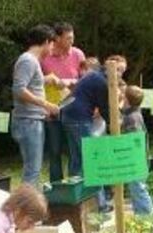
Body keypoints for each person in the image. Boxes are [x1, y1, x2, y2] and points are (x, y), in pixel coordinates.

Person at [60, 56, 127, 212]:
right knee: (92, 161)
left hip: (68, 115)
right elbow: (105, 108)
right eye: (118, 70)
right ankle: (101, 205)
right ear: (110, 69)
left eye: (122, 71)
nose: (120, 75)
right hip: (80, 118)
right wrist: (116, 122)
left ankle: (75, 201)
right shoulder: (102, 82)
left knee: (76, 161)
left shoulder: (94, 75)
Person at [11, 24, 59, 187]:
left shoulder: (31, 61)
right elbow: (19, 89)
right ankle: (25, 211)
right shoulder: (28, 60)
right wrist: (46, 104)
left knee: (33, 169)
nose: (52, 49)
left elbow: (29, 84)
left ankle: (27, 209)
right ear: (46, 42)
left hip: (31, 120)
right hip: (28, 122)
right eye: (52, 44)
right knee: (32, 171)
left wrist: (46, 79)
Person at [40, 22, 86, 183]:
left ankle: (77, 187)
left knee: (75, 150)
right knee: (54, 150)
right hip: (52, 111)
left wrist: (67, 81)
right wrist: (43, 107)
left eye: (73, 38)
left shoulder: (78, 54)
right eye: (68, 39)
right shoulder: (44, 57)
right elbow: (36, 83)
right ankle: (56, 189)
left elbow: (85, 79)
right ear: (57, 38)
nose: (72, 42)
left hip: (74, 111)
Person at [120, 85, 153, 215]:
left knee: (138, 188)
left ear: (127, 100)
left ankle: (146, 216)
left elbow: (134, 140)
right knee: (136, 188)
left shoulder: (132, 118)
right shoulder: (132, 114)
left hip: (136, 159)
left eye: (122, 96)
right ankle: (140, 214)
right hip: (137, 159)